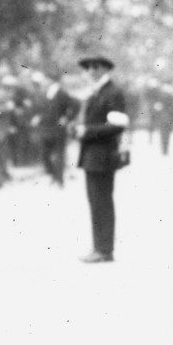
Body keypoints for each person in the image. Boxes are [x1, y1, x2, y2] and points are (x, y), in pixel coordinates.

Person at [73, 54, 128, 263]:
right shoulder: (96, 92)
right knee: (96, 202)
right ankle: (100, 247)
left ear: (106, 69)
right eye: (88, 68)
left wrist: (86, 131)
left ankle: (104, 249)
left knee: (101, 202)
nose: (91, 72)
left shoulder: (112, 92)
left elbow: (117, 125)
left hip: (103, 155)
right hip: (93, 155)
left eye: (96, 67)